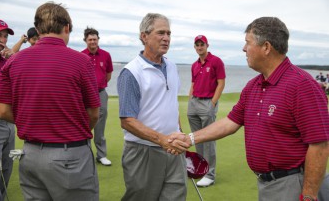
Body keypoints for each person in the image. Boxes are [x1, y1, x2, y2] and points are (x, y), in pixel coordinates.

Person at [169, 17, 329, 201]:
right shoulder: (253, 86)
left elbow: (320, 145)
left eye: (248, 43)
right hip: (267, 184)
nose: (244, 49)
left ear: (266, 47)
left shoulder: (302, 85)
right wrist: (189, 138)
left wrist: (308, 196)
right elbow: (230, 122)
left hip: (293, 183)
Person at [0, 2, 101, 201]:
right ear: (67, 28)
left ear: (37, 29)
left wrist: (33, 123)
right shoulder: (81, 61)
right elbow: (93, 113)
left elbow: (3, 111)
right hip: (70, 155)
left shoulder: (13, 61)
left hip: (30, 154)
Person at [117, 13, 188, 201]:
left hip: (173, 149)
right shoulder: (131, 72)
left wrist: (179, 133)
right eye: (161, 33)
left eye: (169, 34)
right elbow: (127, 121)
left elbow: (171, 104)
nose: (166, 38)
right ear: (144, 36)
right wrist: (162, 140)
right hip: (143, 151)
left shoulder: (172, 67)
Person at [187, 35, 225, 187]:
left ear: (207, 45)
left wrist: (213, 103)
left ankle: (210, 175)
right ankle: (201, 168)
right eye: (197, 45)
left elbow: (221, 83)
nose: (199, 47)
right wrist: (190, 100)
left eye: (201, 44)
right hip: (194, 103)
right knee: (197, 138)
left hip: (207, 103)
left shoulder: (216, 61)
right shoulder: (194, 65)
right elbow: (193, 83)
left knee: (209, 140)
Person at [82, 27, 113, 166]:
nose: (93, 42)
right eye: (90, 40)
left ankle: (101, 155)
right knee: (83, 123)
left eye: (95, 39)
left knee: (100, 125)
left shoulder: (106, 55)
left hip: (100, 93)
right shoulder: (81, 55)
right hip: (84, 95)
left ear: (98, 39)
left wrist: (99, 84)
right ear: (85, 41)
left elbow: (108, 75)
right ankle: (84, 154)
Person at [0, 19, 15, 201]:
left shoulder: (6, 60)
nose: (3, 40)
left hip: (8, 121)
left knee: (6, 167)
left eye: (5, 36)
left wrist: (13, 59)